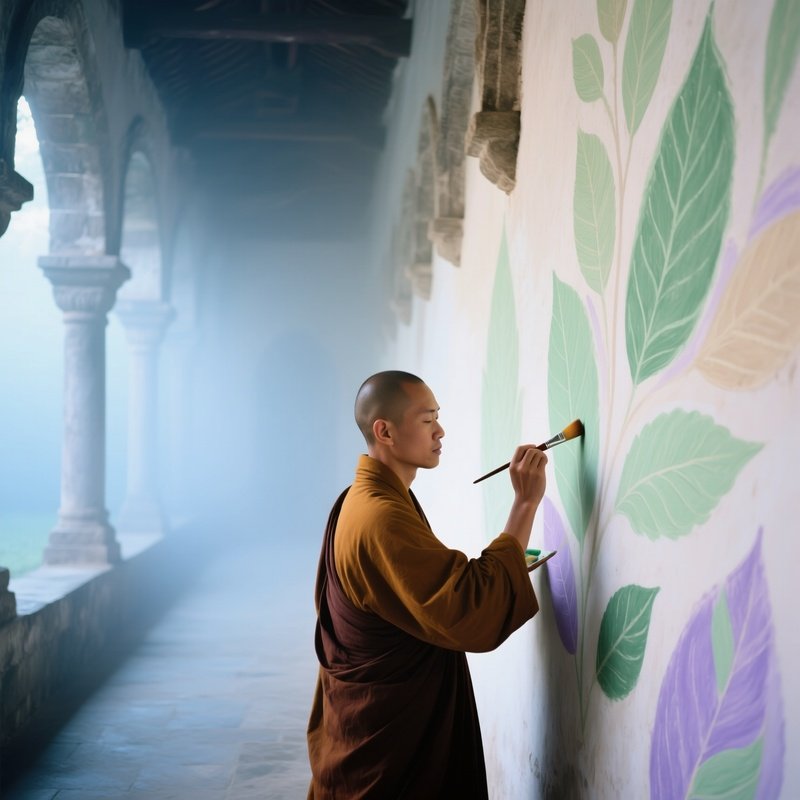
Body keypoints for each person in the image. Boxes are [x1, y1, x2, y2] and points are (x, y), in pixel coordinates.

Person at [306, 370, 548, 799]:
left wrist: (501, 566)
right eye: (426, 419)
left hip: (375, 724)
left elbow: (425, 592)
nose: (440, 430)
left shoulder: (361, 499)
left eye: (438, 417)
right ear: (385, 431)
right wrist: (525, 502)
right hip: (389, 745)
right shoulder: (378, 517)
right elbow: (468, 608)